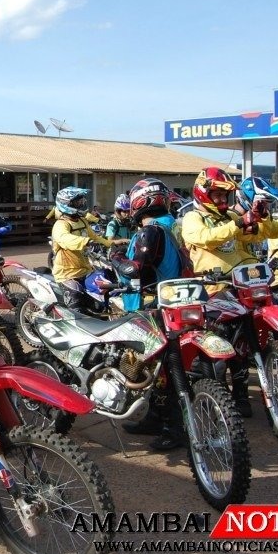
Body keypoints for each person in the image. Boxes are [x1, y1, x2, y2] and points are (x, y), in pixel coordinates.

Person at [181, 167, 278, 417]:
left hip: (239, 288)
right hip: (210, 293)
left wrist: (259, 219)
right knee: (215, 349)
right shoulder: (193, 218)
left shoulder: (228, 215)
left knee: (243, 342)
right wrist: (239, 221)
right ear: (204, 193)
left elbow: (254, 236)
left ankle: (241, 394)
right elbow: (205, 238)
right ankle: (212, 398)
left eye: (224, 196)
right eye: (217, 195)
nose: (221, 200)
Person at [116, 178, 192, 450]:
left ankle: (174, 428)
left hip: (155, 306)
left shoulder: (152, 232)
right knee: (165, 369)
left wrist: (115, 258)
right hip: (179, 302)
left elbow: (137, 269)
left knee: (163, 370)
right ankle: (155, 417)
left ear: (139, 202)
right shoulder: (176, 225)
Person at [50, 186, 129, 312]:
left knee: (103, 295)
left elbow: (95, 237)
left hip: (86, 270)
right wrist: (87, 242)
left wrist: (112, 243)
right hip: (67, 275)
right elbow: (66, 239)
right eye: (77, 202)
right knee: (76, 305)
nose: (81, 204)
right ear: (66, 204)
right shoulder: (61, 225)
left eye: (82, 201)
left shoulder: (82, 221)